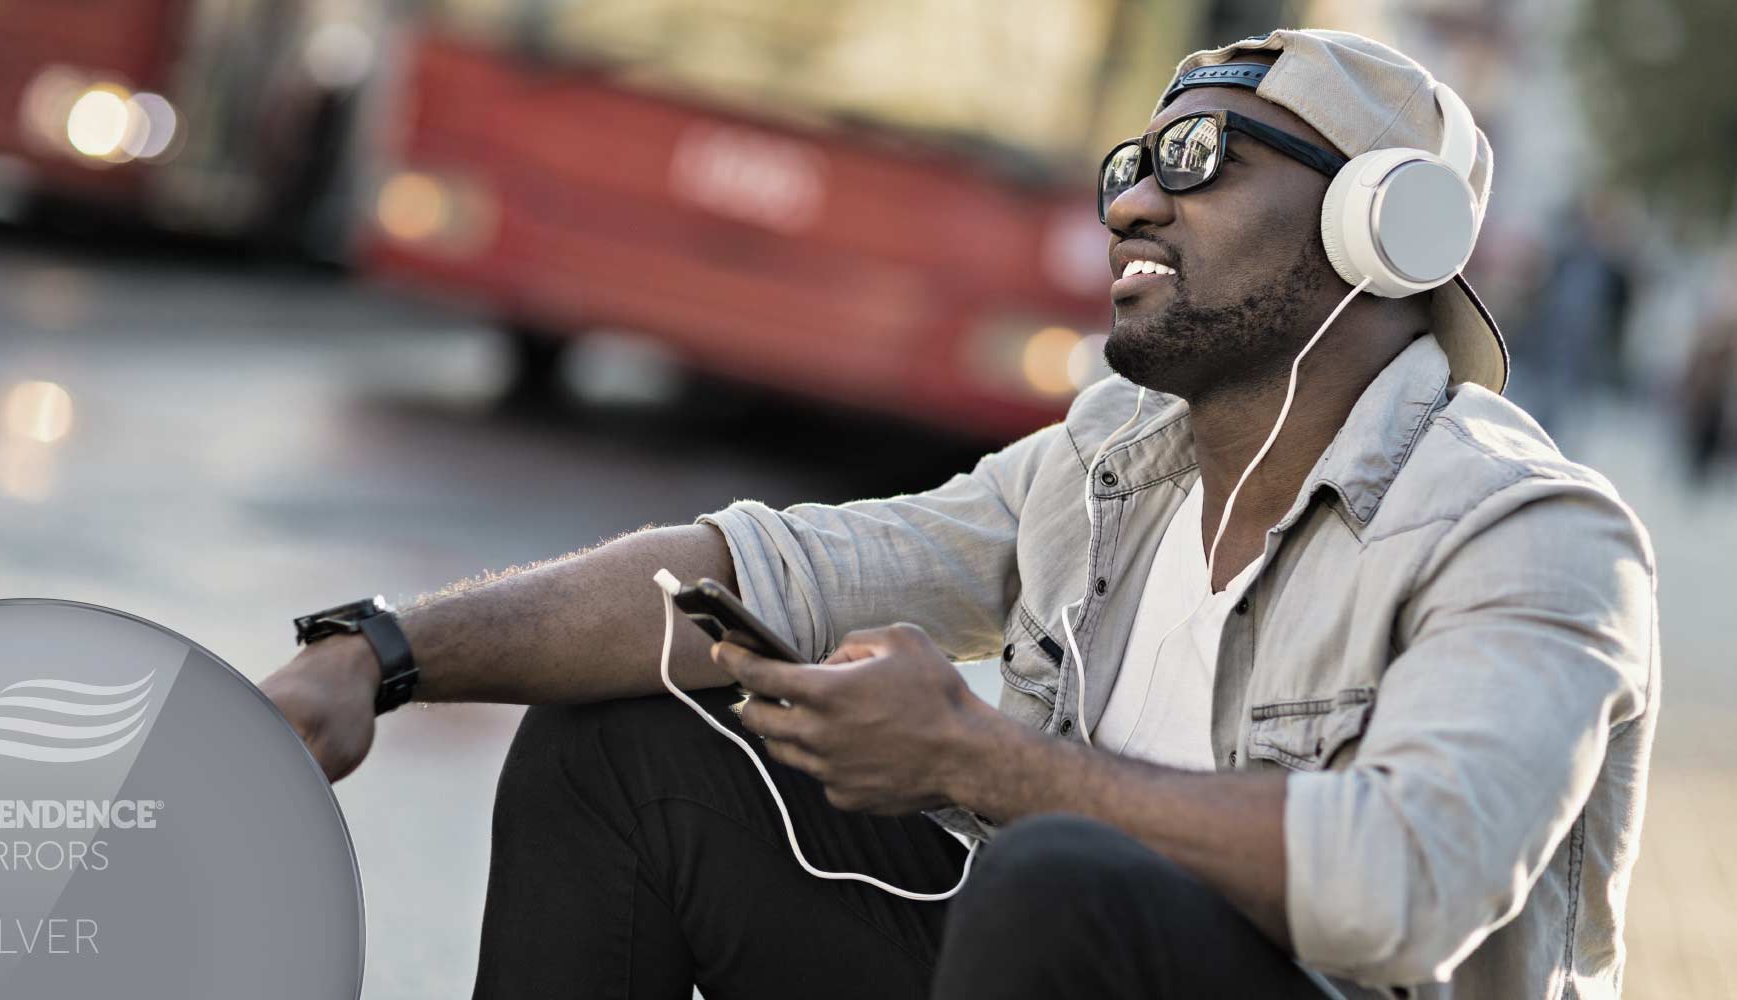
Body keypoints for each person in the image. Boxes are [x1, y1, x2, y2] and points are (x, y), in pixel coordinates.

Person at [261, 29, 1658, 1000]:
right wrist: (379, 655)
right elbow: (779, 566)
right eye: (1129, 167)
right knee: (626, 750)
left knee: (1058, 878)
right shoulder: (1114, 458)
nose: (1134, 208)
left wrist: (987, 763)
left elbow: (1408, 881)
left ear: (1385, 230)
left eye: (1198, 159)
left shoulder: (1528, 530)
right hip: (1047, 965)